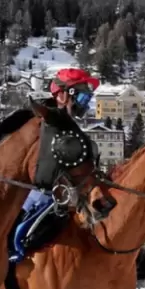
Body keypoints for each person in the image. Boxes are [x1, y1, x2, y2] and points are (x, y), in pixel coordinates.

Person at [12, 68, 101, 254]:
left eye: (87, 99)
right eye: (82, 97)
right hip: (30, 198)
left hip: (61, 197)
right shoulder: (41, 121)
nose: (85, 104)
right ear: (62, 95)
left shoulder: (71, 126)